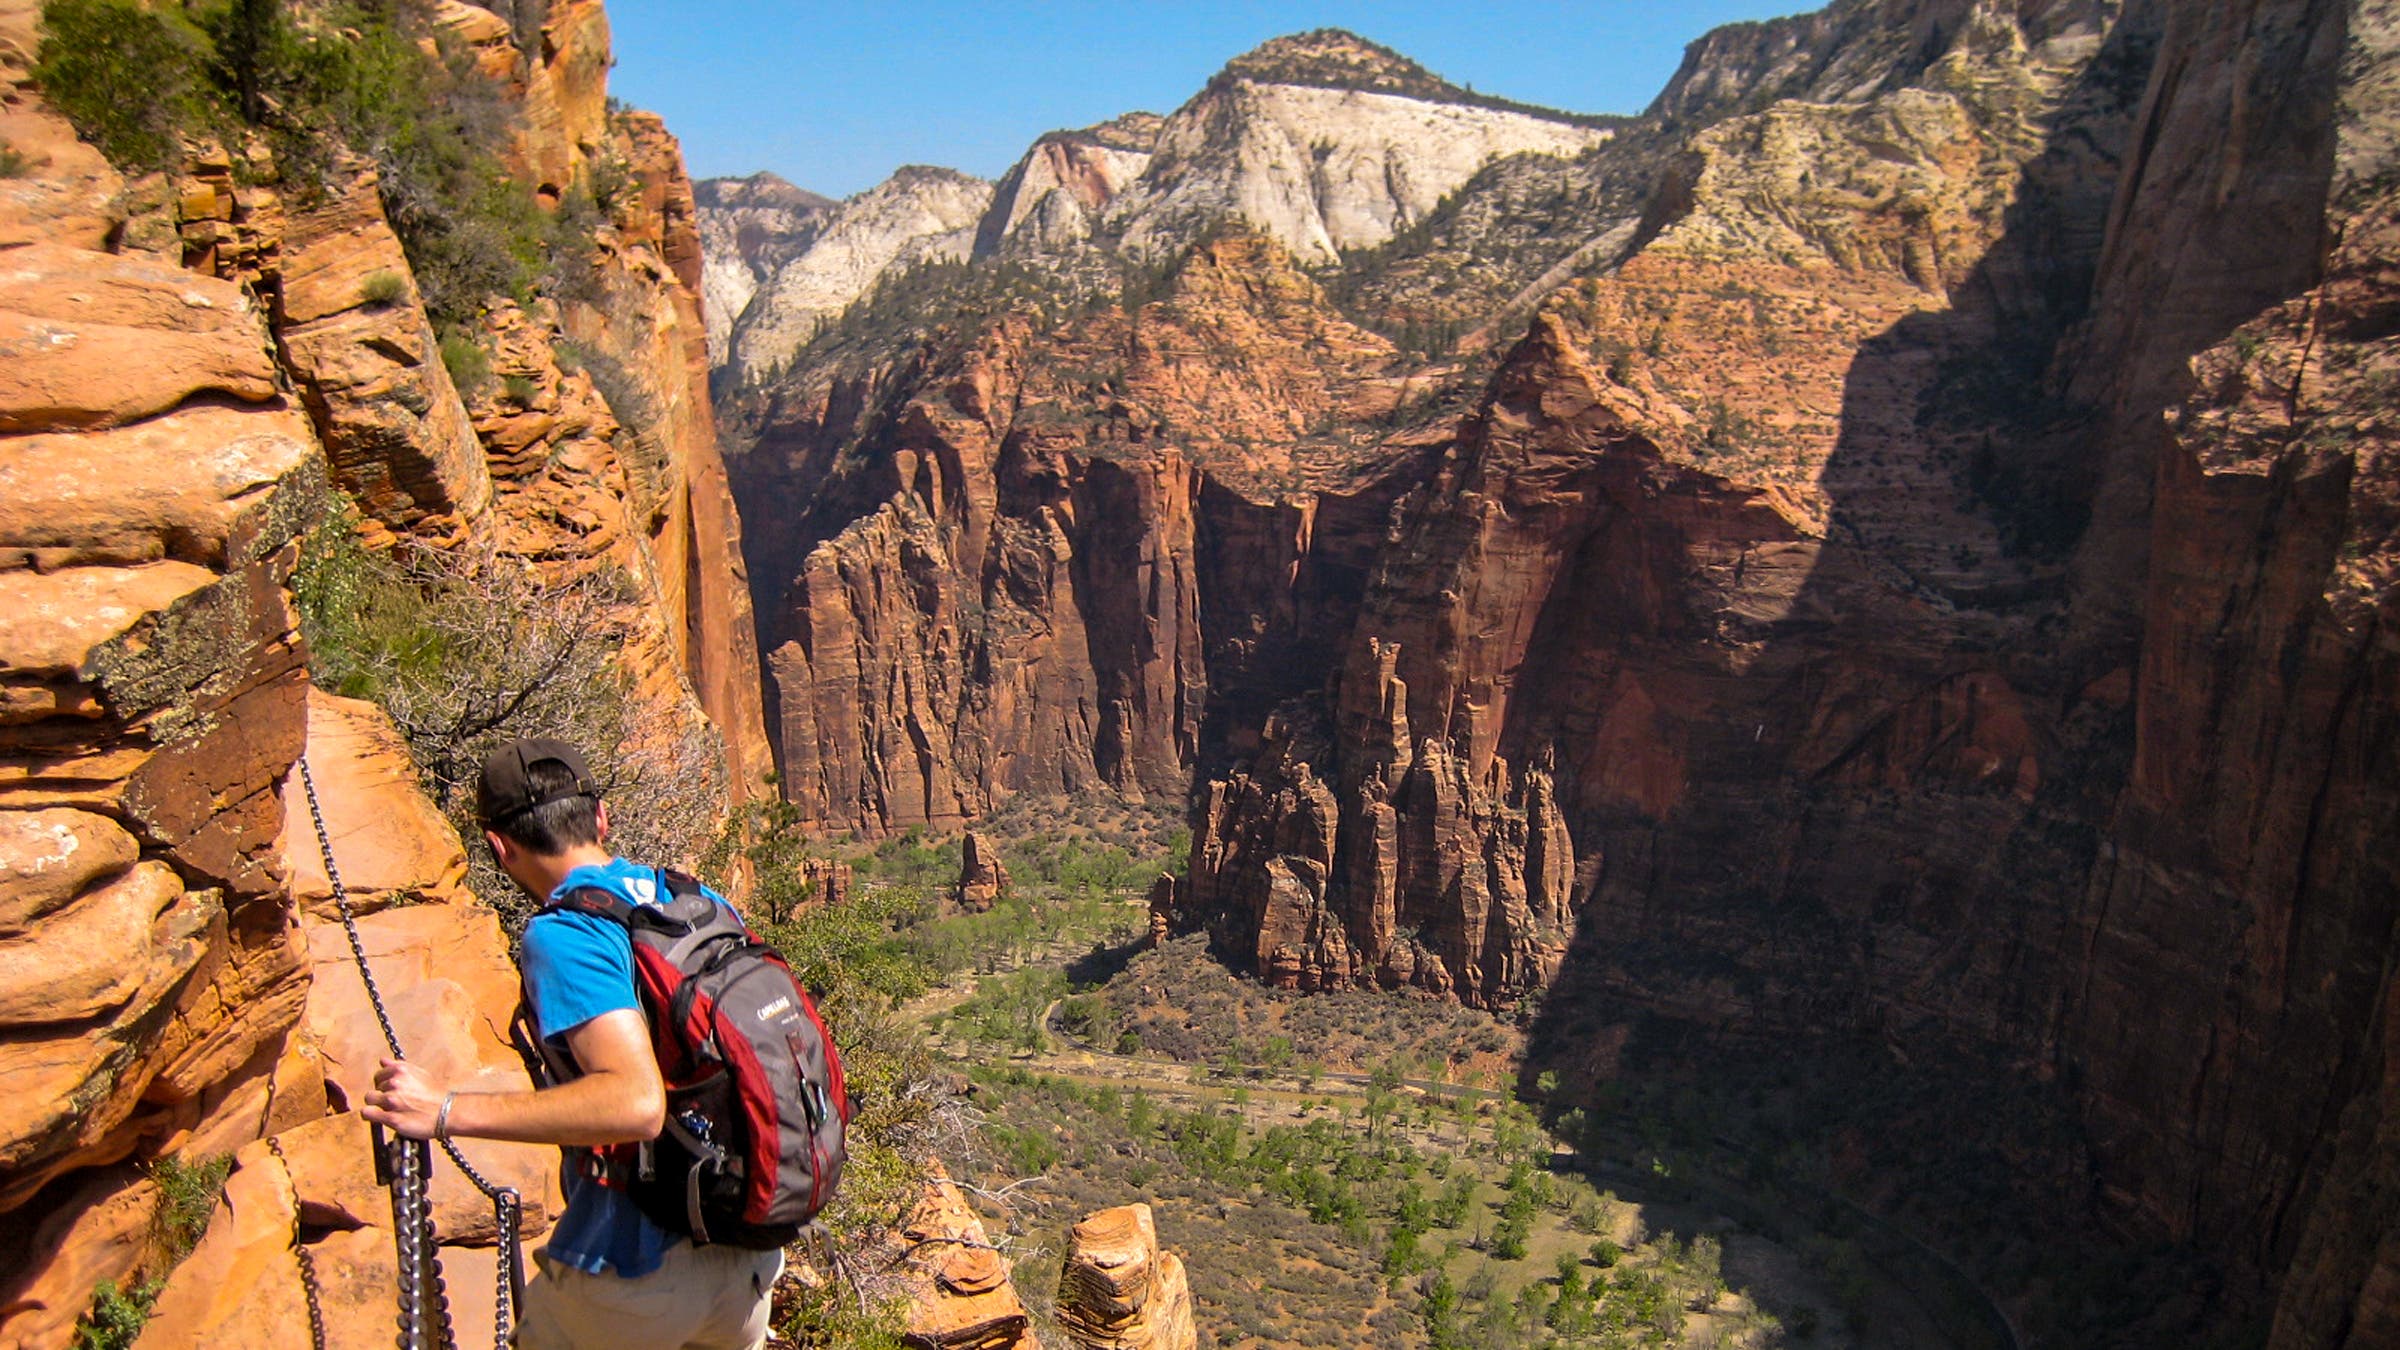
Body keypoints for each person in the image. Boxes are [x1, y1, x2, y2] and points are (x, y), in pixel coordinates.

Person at [362, 737, 782, 1350]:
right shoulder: (697, 899)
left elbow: (634, 1105)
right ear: (601, 817)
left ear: (498, 847)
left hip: (633, 1271)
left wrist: (445, 1110)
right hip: (746, 1259)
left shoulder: (566, 935)